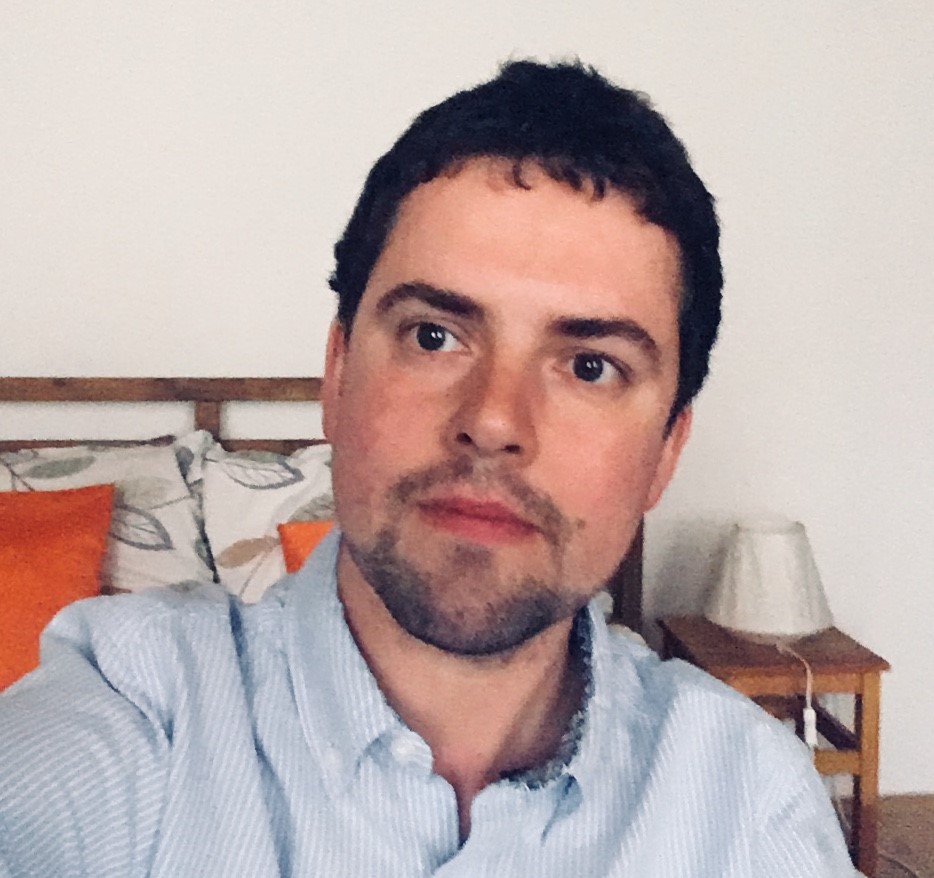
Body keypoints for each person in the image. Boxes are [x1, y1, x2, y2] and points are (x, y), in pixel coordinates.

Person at [0, 60, 855, 876]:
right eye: (434, 336)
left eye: (590, 366)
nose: (493, 420)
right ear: (337, 377)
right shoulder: (136, 709)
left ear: (666, 449)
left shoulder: (750, 801)